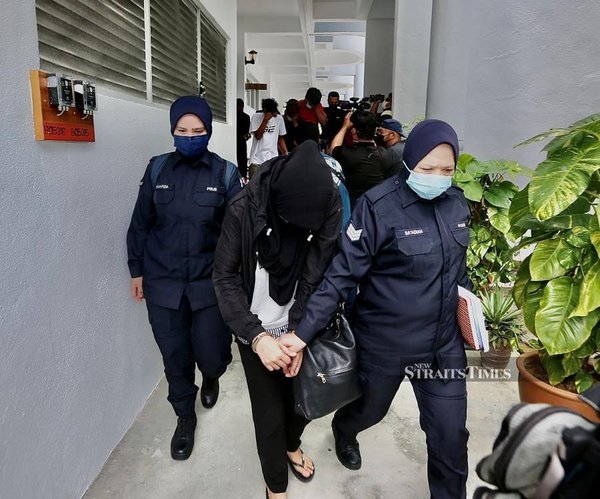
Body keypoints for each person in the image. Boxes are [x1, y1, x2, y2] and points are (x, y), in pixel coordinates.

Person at [280, 120, 471, 499]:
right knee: (369, 411)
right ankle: (345, 429)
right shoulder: (378, 206)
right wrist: (301, 335)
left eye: (447, 170)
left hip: (442, 347)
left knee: (450, 436)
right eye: (428, 168)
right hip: (385, 344)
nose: (438, 177)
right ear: (409, 160)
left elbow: (458, 270)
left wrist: (470, 317)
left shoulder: (457, 203)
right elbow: (340, 276)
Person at [212, 141, 342, 499]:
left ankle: (292, 444)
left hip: (300, 322)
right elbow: (223, 277)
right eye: (289, 223)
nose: (298, 232)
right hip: (255, 327)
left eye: (307, 228)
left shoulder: (328, 203)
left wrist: (300, 331)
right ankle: (276, 488)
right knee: (269, 413)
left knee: (306, 400)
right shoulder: (244, 207)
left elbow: (316, 272)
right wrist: (257, 338)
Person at [126, 96, 242, 461]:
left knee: (210, 354)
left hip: (209, 285)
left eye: (198, 131)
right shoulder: (158, 170)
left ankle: (210, 375)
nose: (190, 137)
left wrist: (235, 282)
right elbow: (140, 223)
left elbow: (239, 234)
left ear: (208, 132)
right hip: (163, 282)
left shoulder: (226, 174)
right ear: (173, 131)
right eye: (182, 131)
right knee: (175, 356)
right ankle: (184, 417)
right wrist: (136, 270)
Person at [329, 110, 396, 207]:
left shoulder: (349, 154)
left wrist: (344, 126)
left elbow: (333, 148)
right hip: (378, 203)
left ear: (353, 131)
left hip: (355, 203)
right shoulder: (387, 154)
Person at [248, 98, 288, 179]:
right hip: (256, 160)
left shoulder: (279, 119)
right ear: (264, 110)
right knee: (254, 187)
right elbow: (258, 136)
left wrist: (285, 152)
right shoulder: (256, 117)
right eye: (272, 113)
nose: (275, 115)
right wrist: (265, 121)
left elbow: (280, 138)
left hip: (272, 159)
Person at [236, 98, 251, 178]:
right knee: (242, 161)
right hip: (242, 141)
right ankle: (243, 177)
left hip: (235, 140)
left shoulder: (233, 116)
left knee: (240, 160)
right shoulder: (246, 117)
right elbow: (247, 131)